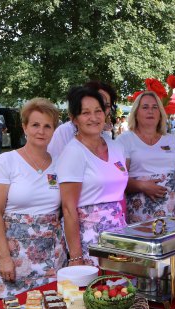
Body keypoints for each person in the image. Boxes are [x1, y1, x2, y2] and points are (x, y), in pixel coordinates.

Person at [0, 98, 66, 298]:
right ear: (24, 127)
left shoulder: (61, 164)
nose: (41, 131)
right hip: (16, 256)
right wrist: (5, 257)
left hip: (52, 255)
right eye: (35, 125)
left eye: (47, 126)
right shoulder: (7, 160)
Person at [57, 87, 128, 266]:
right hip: (90, 240)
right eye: (86, 113)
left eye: (98, 111)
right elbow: (68, 208)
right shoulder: (73, 153)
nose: (94, 118)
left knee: (122, 291)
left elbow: (121, 194)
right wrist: (76, 257)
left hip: (120, 237)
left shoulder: (117, 148)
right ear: (74, 119)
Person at [117, 91, 175, 223]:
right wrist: (142, 185)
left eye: (154, 107)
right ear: (136, 112)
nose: (150, 111)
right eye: (145, 107)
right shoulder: (125, 140)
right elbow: (118, 179)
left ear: (160, 113)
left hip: (172, 214)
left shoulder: (171, 140)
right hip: (139, 214)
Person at [47, 80, 117, 161]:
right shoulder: (65, 131)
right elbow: (52, 164)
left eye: (106, 106)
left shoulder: (106, 136)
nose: (101, 110)